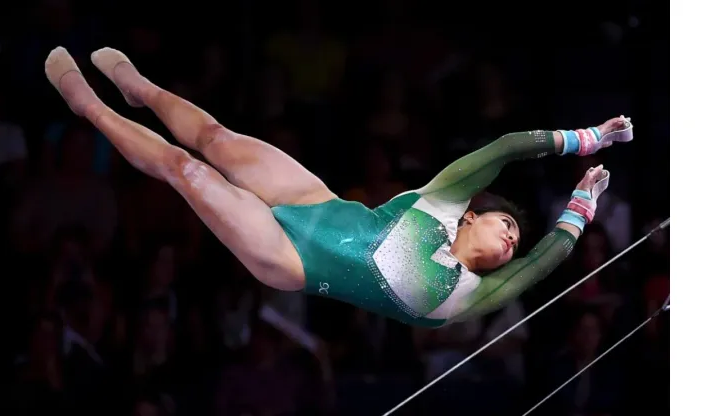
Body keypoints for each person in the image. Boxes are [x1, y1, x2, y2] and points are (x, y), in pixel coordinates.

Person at [44, 46, 634, 328]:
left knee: (189, 170)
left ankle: (89, 108)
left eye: (514, 238)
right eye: (504, 222)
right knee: (219, 140)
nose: (510, 239)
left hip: (287, 258)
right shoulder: (442, 200)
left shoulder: (468, 298)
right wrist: (586, 139)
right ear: (470, 216)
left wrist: (583, 205)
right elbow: (506, 148)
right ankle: (141, 90)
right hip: (313, 201)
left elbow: (547, 259)